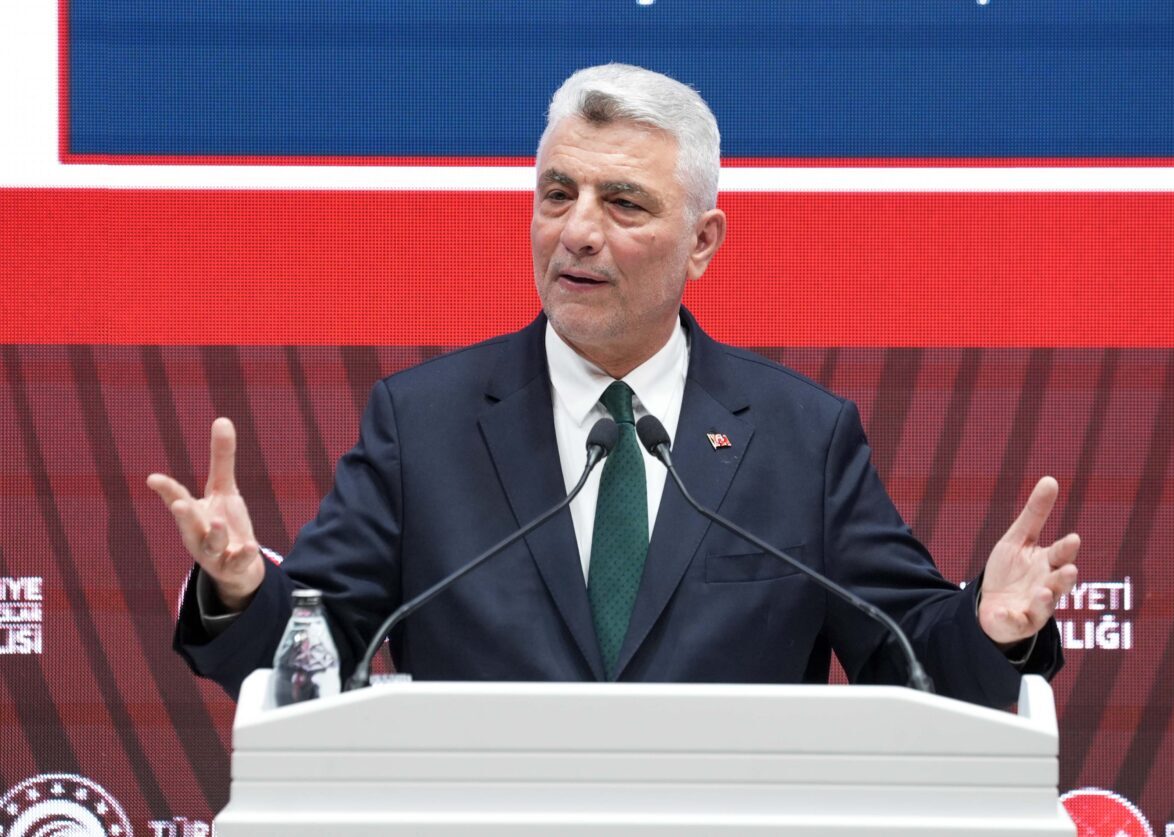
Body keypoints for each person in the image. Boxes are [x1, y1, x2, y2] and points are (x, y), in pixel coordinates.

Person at [148, 63, 1079, 706]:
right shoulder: (422, 423)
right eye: (558, 194)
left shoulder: (802, 435)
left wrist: (992, 625)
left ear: (703, 243)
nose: (577, 231)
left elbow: (911, 657)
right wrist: (240, 588)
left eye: (623, 202)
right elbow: (305, 659)